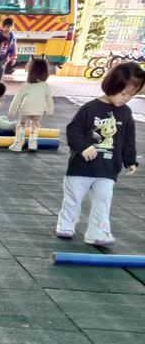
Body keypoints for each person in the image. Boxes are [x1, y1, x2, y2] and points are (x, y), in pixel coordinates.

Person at [54, 61, 142, 246]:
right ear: (111, 85)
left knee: (103, 202)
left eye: (131, 94)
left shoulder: (126, 113)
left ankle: (98, 232)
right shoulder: (89, 109)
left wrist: (130, 160)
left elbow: (128, 139)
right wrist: (84, 147)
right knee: (73, 199)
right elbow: (73, 131)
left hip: (107, 169)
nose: (126, 98)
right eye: (123, 93)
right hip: (81, 168)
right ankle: (66, 225)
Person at [7, 58, 54, 152]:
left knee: (21, 125)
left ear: (31, 71)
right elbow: (49, 99)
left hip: (25, 110)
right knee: (35, 125)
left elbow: (17, 99)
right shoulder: (45, 85)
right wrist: (50, 110)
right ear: (45, 72)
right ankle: (33, 143)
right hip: (38, 111)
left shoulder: (26, 85)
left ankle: (18, 144)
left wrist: (12, 110)